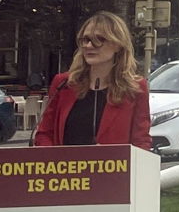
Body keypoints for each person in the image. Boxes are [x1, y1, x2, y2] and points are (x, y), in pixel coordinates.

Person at [33, 11, 151, 149]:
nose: (89, 46)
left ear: (118, 45)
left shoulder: (135, 88)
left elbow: (141, 141)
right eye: (85, 40)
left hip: (113, 163)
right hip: (63, 163)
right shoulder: (64, 83)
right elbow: (44, 133)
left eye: (99, 39)